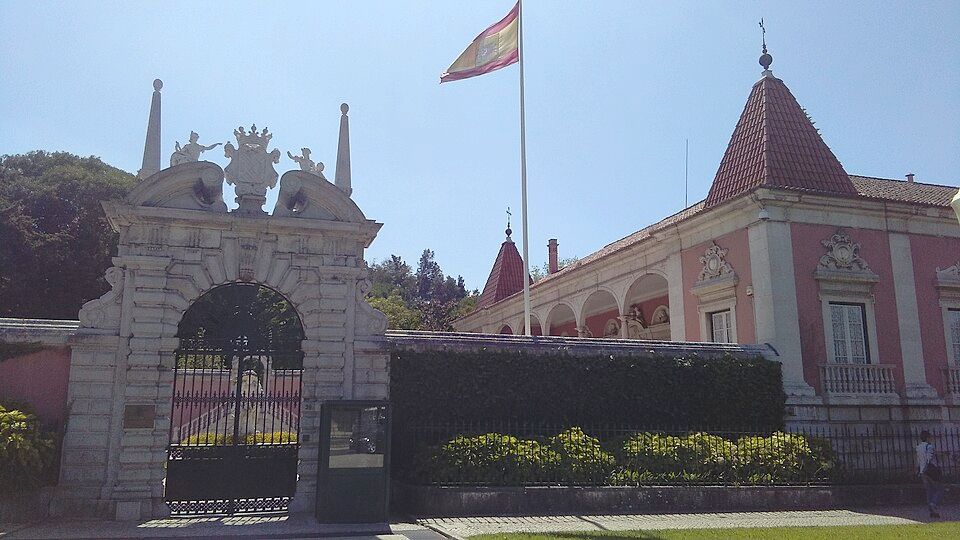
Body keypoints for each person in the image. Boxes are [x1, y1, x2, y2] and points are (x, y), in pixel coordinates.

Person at [916, 430, 945, 518]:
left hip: (922, 471)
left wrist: (919, 470)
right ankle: (933, 503)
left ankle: (932, 510)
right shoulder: (929, 446)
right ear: (927, 437)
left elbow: (919, 460)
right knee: (940, 489)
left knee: (929, 490)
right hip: (930, 471)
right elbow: (929, 459)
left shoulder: (918, 447)